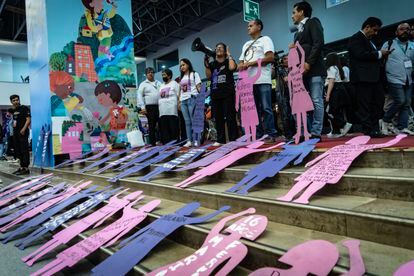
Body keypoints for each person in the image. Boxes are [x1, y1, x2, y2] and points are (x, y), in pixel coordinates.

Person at [348, 17, 391, 137]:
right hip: (362, 78)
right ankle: (368, 130)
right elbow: (360, 54)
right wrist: (379, 53)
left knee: (377, 103)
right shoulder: (355, 38)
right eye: (374, 30)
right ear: (367, 27)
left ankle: (375, 128)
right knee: (365, 105)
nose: (376, 33)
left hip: (374, 78)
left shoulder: (369, 40)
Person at [238, 19, 278, 142]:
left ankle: (271, 134)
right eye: (247, 26)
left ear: (259, 26)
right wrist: (241, 66)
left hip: (262, 79)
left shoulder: (266, 39)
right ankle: (259, 135)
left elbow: (270, 57)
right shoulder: (245, 45)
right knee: (254, 110)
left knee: (266, 108)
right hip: (248, 83)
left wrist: (251, 63)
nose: (248, 28)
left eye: (251, 25)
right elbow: (241, 62)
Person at [291, 1, 325, 140]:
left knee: (316, 100)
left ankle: (316, 131)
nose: (292, 16)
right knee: (301, 101)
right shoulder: (296, 33)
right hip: (300, 72)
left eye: (294, 12)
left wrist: (309, 63)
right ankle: (305, 131)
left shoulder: (312, 22)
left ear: (302, 12)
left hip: (315, 69)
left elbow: (318, 43)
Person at [379, 23, 414, 135]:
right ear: (396, 32)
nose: (405, 31)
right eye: (402, 29)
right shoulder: (388, 44)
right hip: (393, 77)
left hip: (409, 78)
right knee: (400, 100)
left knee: (407, 103)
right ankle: (385, 120)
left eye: (407, 29)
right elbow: (381, 59)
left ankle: (402, 127)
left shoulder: (412, 45)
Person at [205, 42, 238, 146]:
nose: (218, 49)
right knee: (218, 118)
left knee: (230, 117)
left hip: (228, 93)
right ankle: (220, 140)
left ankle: (233, 139)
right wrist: (206, 64)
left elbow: (232, 68)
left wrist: (229, 55)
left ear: (224, 50)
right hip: (215, 95)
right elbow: (209, 76)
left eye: (220, 48)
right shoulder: (212, 64)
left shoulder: (229, 61)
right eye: (216, 48)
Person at [325, 52, 352, 138]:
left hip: (334, 91)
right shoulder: (338, 68)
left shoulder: (331, 69)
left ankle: (344, 124)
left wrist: (328, 95)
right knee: (336, 111)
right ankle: (335, 131)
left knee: (329, 112)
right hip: (341, 89)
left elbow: (331, 82)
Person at [178, 58, 201, 147]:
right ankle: (189, 140)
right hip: (183, 101)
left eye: (183, 65)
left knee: (193, 120)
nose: (182, 67)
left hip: (192, 99)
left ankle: (196, 140)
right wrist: (179, 102)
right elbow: (180, 91)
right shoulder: (181, 78)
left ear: (188, 64)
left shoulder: (194, 74)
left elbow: (199, 87)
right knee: (187, 122)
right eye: (180, 66)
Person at [137, 67, 161, 146]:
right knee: (152, 126)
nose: (150, 73)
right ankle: (152, 143)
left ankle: (162, 141)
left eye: (152, 72)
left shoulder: (158, 83)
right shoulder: (143, 84)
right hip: (149, 107)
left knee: (161, 124)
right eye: (148, 72)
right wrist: (143, 107)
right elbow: (139, 96)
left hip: (160, 106)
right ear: (146, 74)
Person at [10, 95, 31, 175]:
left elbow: (28, 119)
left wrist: (24, 129)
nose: (15, 102)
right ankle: (21, 167)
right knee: (18, 150)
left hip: (23, 132)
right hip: (16, 133)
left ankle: (26, 168)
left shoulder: (24, 108)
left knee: (24, 150)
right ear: (11, 102)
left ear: (19, 100)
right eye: (14, 100)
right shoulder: (14, 110)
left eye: (17, 100)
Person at [158, 68, 180, 144]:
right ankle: (166, 144)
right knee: (164, 128)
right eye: (162, 75)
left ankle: (174, 143)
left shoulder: (174, 84)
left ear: (169, 75)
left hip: (172, 109)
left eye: (164, 75)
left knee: (173, 127)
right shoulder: (161, 85)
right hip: (162, 110)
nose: (163, 76)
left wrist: (179, 104)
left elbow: (179, 95)